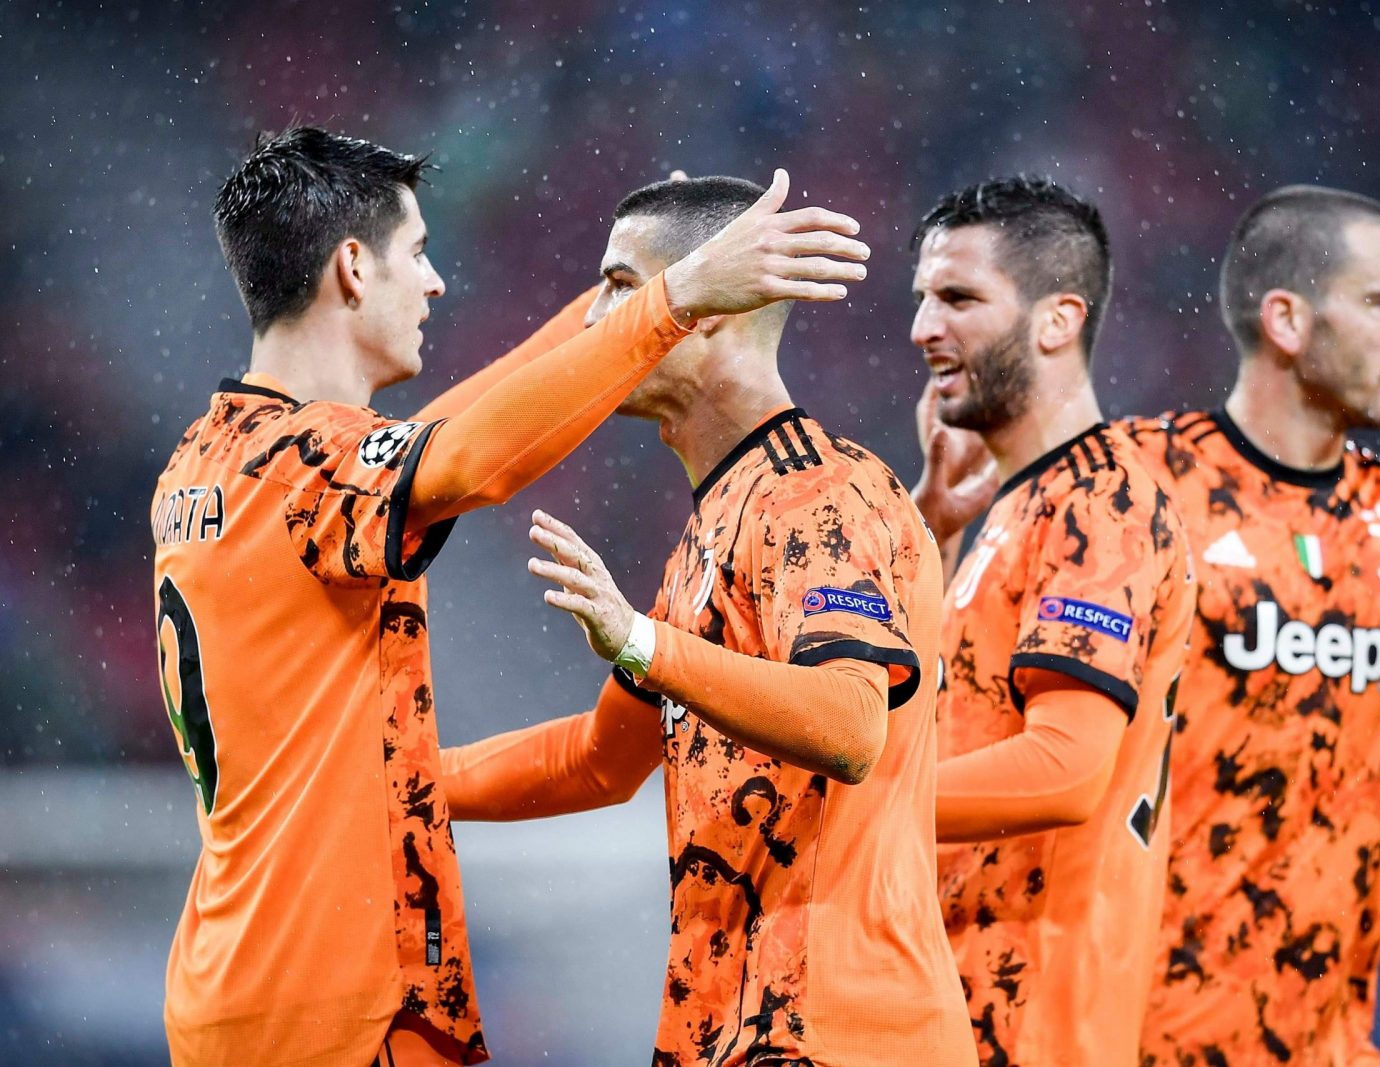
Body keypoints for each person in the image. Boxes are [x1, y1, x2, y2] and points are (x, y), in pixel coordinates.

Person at [151, 127, 865, 1067]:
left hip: (235, 968)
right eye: (418, 253)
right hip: (330, 994)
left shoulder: (216, 457)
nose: (436, 283)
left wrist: (633, 287)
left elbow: (451, 431)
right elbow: (476, 458)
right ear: (354, 268)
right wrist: (675, 296)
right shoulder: (306, 468)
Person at [920, 183, 1380, 1065]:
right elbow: (970, 697)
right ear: (1286, 320)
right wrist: (937, 532)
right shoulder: (1131, 485)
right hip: (1120, 1034)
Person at [439, 175, 974, 1066]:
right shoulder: (715, 525)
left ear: (717, 306)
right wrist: (400, 779)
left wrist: (641, 641)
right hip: (734, 1026)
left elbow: (851, 724)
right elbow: (598, 761)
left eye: (622, 286)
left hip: (841, 1033)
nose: (593, 322)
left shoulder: (814, 492)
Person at [906, 176, 1197, 1067]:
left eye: (958, 298)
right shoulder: (1019, 503)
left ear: (1058, 320)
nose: (922, 327)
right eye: (923, 298)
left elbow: (1065, 770)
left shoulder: (1099, 502)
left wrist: (855, 802)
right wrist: (933, 532)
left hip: (1032, 1021)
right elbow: (944, 718)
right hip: (966, 1004)